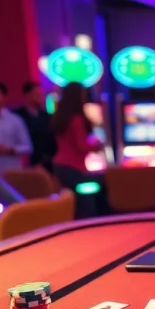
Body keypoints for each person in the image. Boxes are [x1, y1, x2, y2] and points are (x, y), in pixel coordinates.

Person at [50, 82, 107, 213]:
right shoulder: (77, 119)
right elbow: (81, 146)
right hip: (75, 169)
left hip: (60, 167)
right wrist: (96, 146)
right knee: (88, 205)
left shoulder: (60, 117)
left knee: (71, 205)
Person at [14, 81, 55, 172]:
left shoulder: (46, 116)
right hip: (27, 163)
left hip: (47, 162)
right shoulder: (18, 116)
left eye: (41, 94)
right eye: (37, 94)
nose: (40, 97)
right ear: (27, 95)